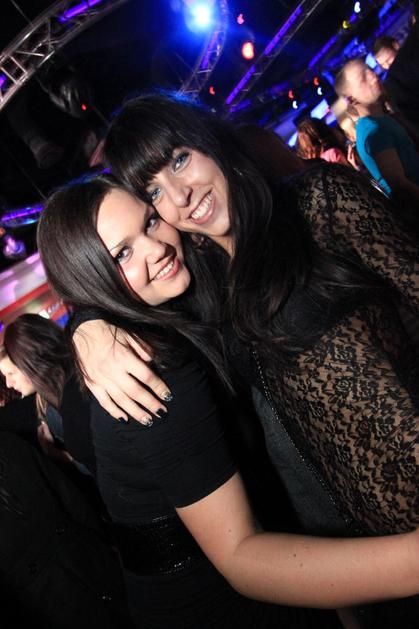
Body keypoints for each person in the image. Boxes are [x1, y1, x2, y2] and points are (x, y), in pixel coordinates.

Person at [69, 93, 419, 626]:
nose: (181, 196)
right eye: (155, 191)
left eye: (180, 160)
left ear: (208, 139)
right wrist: (87, 326)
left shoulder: (318, 203)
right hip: (372, 558)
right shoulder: (203, 290)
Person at [334, 58, 419, 203]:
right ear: (351, 99)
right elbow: (400, 183)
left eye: (370, 70)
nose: (373, 76)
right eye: (363, 78)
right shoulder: (373, 131)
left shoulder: (379, 120)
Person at [384, 1, 419, 136]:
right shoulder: (398, 78)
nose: (387, 65)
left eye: (388, 60)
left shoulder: (398, 77)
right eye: (383, 64)